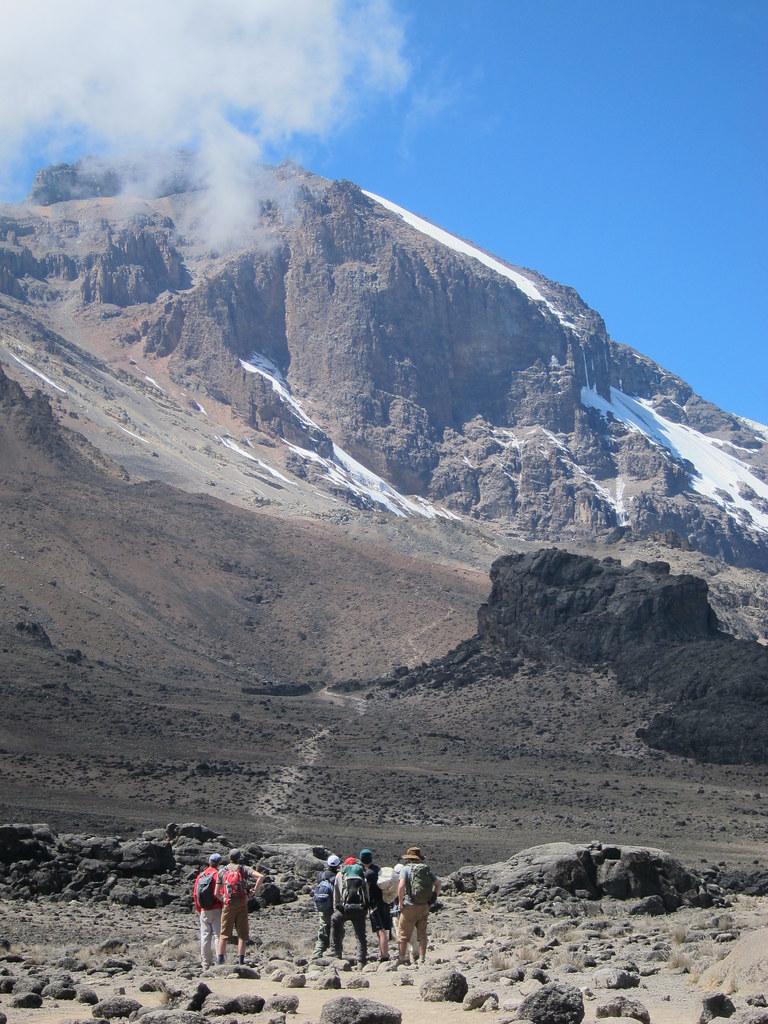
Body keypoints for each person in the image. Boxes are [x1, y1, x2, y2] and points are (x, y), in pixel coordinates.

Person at [215, 848, 265, 965]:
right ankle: (241, 962)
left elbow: (216, 893)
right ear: (239, 858)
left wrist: (224, 899)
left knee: (223, 935)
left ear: (229, 858)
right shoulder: (243, 869)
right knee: (242, 935)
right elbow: (261, 877)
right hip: (242, 904)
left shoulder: (222, 871)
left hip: (228, 905)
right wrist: (253, 891)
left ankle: (220, 961)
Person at [396, 846, 441, 966]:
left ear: (408, 858)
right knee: (422, 934)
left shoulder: (406, 869)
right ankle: (422, 959)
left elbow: (401, 886)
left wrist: (400, 902)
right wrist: (431, 901)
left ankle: (402, 959)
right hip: (424, 906)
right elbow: (438, 884)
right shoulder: (425, 869)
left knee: (403, 933)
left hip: (410, 905)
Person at [330, 855, 370, 967]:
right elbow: (366, 893)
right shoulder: (361, 875)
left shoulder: (340, 875)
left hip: (345, 909)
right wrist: (365, 908)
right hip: (359, 909)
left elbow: (336, 895)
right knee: (361, 935)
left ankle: (336, 952)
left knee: (335, 921)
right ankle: (361, 960)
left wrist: (337, 908)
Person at [360, 848, 391, 961]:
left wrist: (366, 903)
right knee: (381, 930)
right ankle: (383, 954)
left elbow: (367, 891)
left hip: (376, 904)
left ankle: (385, 956)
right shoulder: (377, 869)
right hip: (384, 902)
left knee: (380, 930)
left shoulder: (368, 874)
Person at [193, 852, 223, 969]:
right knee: (218, 936)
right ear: (219, 863)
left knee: (205, 937)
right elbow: (220, 892)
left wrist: (199, 909)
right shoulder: (217, 875)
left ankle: (205, 963)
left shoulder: (201, 876)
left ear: (209, 862)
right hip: (216, 909)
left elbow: (195, 894)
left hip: (204, 910)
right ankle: (220, 962)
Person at [311, 854, 341, 960]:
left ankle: (317, 954)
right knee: (337, 930)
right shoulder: (337, 876)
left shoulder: (321, 875)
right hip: (333, 907)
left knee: (323, 931)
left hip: (323, 908)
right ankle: (336, 953)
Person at [390, 863, 419, 962]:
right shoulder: (411, 882)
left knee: (400, 935)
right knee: (413, 933)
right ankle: (415, 955)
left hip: (396, 912)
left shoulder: (393, 883)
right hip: (412, 910)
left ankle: (404, 958)